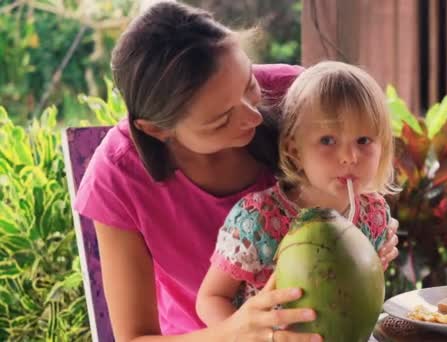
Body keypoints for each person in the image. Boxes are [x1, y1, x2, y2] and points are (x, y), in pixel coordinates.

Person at [73, 2, 399, 341]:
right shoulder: (118, 175)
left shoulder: (301, 97)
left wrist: (370, 231)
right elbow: (134, 337)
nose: (254, 117)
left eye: (249, 85)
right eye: (221, 119)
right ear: (157, 130)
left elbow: (366, 149)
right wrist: (238, 331)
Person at [196, 61, 400, 330]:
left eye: (363, 141)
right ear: (294, 150)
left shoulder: (374, 214)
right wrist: (242, 334)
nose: (350, 157)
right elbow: (210, 298)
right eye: (328, 140)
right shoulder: (260, 219)